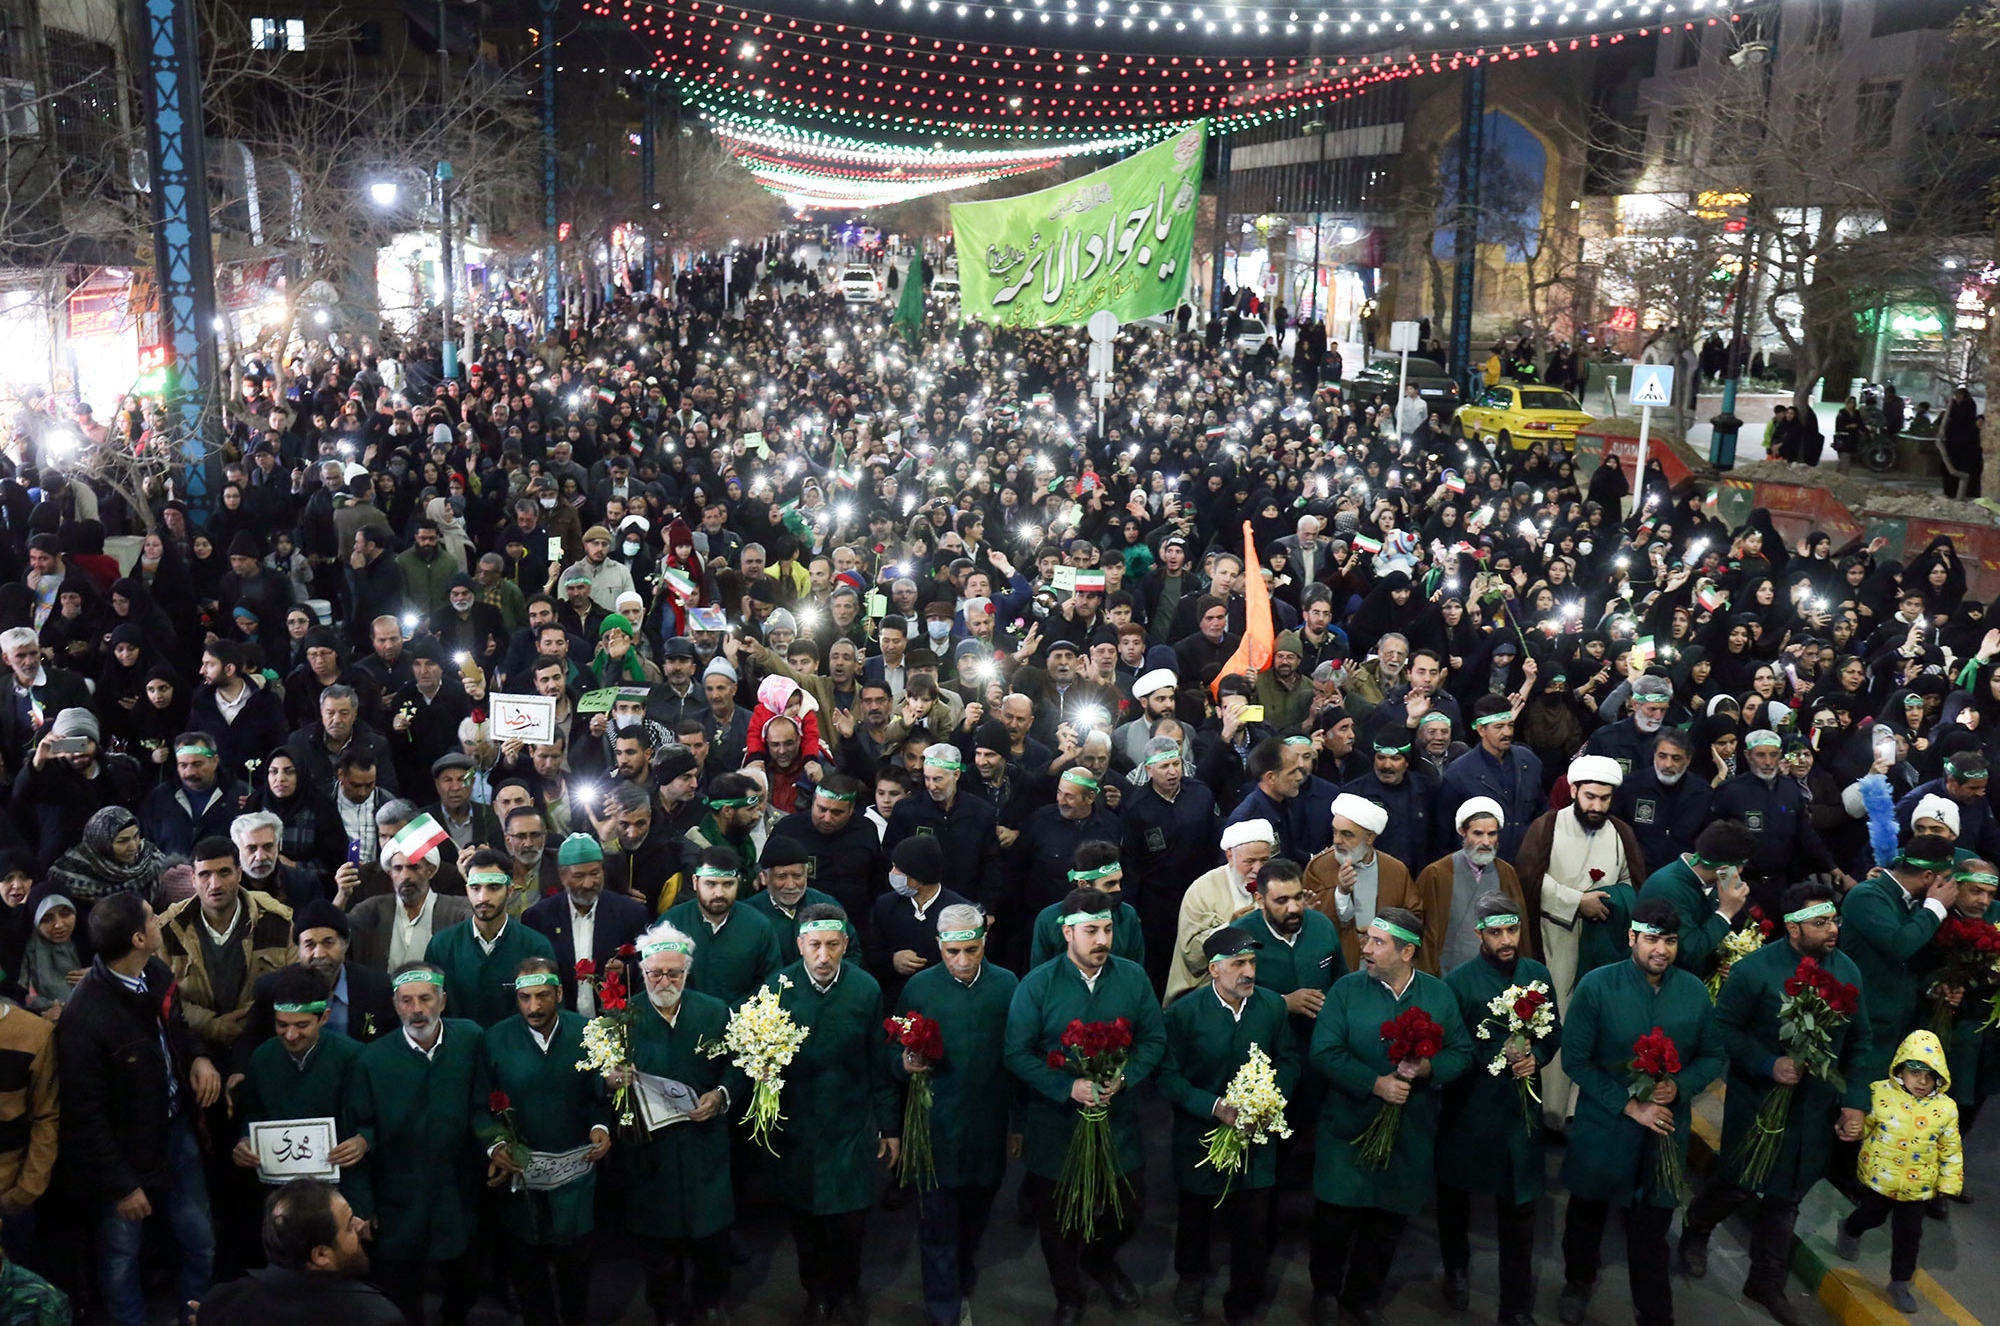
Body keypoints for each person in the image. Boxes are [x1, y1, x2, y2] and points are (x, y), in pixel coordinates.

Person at [1679, 881, 1871, 1326]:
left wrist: (1855, 1102)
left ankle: (1765, 1281)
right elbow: (1722, 1031)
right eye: (1819, 922)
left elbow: (1861, 1043)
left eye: (1833, 921)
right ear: (1792, 927)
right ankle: (1697, 1227)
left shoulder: (1848, 973)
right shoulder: (1756, 971)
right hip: (1759, 1102)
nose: (1831, 930)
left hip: (1812, 1109)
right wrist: (1769, 1063)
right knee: (1740, 1182)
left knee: (1788, 1195)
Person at [56, 890, 223, 1326]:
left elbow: (178, 1029)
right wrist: (121, 1186)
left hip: (174, 1130)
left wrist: (199, 1055)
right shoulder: (86, 1018)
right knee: (119, 1260)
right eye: (152, 919)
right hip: (124, 1155)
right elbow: (83, 1115)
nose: (158, 922)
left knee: (200, 1241)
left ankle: (194, 1317)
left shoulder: (155, 972)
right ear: (137, 938)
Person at [1555, 899, 1724, 1326]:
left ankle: (1654, 1312)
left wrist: (1678, 1086)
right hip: (1605, 1128)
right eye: (1651, 939)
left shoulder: (1693, 991)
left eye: (1669, 940)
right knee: (1587, 1215)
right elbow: (1576, 1060)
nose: (1661, 950)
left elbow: (1712, 1055)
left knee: (1651, 1232)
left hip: (1664, 1133)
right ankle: (1578, 1281)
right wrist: (1630, 1106)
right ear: (1631, 937)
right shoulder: (1597, 986)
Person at [1003, 887, 1167, 1324]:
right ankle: (1069, 1297)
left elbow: (1154, 1038)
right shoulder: (1037, 984)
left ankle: (1099, 1259)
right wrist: (1067, 1086)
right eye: (1091, 931)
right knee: (1058, 1221)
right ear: (1067, 933)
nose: (1102, 941)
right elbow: (1016, 1053)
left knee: (1129, 1212)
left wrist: (1127, 1075)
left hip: (1117, 1122)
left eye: (1108, 930)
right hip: (1055, 1123)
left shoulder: (1132, 977)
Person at [1307, 907, 1473, 1326]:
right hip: (1346, 1128)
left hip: (1408, 1133)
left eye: (1378, 943)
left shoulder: (1438, 995)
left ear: (1407, 952)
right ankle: (1325, 1293)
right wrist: (1375, 1083)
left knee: (1386, 1223)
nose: (1366, 949)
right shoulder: (1346, 990)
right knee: (1335, 1220)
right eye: (1368, 940)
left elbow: (1462, 1053)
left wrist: (1428, 1069)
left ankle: (1362, 1296)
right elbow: (1324, 1052)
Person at [765, 902, 900, 1326]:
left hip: (851, 1125)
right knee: (804, 1223)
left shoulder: (866, 990)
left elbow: (879, 1064)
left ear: (845, 944)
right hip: (797, 1128)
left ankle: (848, 1287)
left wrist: (889, 1125)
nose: (823, 956)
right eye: (815, 945)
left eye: (833, 945)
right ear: (799, 944)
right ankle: (816, 1292)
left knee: (851, 1221)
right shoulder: (776, 990)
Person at [1157, 925, 1297, 1326]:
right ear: (1214, 970)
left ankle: (1245, 1297)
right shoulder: (1184, 1014)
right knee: (1196, 1216)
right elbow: (1167, 1077)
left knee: (1253, 1222)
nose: (1249, 971)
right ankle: (1190, 1280)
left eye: (1252, 962)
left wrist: (1271, 1099)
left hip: (1256, 1139)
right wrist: (1214, 1106)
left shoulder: (1271, 1007)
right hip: (1199, 1138)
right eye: (1239, 964)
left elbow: (1288, 1061)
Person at [344, 962, 496, 1326]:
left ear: (442, 1001)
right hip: (398, 1199)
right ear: (395, 1005)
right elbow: (359, 1133)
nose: (417, 1009)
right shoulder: (371, 1060)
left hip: (457, 1195)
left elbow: (483, 1106)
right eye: (407, 1000)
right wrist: (362, 1205)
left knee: (464, 1290)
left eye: (426, 998)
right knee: (400, 1298)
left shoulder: (470, 1040)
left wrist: (496, 1145)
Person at [1435, 895, 1561, 1326]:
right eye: (1496, 933)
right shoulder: (1459, 982)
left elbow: (1552, 1032)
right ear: (1479, 935)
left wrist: (1537, 1057)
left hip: (1519, 1112)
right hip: (1469, 1109)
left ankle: (1517, 1306)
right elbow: (1452, 1046)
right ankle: (1455, 1269)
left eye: (1512, 931)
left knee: (1520, 1207)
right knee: (1455, 1196)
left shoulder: (1537, 975)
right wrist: (1496, 1055)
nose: (1506, 941)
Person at [897, 904, 1020, 1326]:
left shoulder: (1007, 986)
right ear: (938, 946)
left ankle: (962, 1275)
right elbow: (893, 1042)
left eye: (972, 950)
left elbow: (1019, 1058)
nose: (963, 961)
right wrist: (904, 1063)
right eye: (953, 952)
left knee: (977, 1211)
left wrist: (1017, 1124)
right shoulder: (918, 987)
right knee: (936, 1222)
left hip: (988, 1123)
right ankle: (944, 1305)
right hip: (935, 1125)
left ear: (984, 942)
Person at [482, 954, 613, 1326]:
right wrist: (494, 1145)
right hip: (520, 1179)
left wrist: (601, 1128)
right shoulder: (495, 1039)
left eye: (542, 996)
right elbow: (479, 1106)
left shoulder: (589, 1032)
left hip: (575, 1175)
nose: (533, 1007)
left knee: (576, 1269)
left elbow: (599, 1097)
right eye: (525, 999)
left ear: (559, 993)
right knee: (527, 1271)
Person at [1835, 1030, 1963, 1314]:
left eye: (1930, 1075)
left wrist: (1949, 1183)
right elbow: (1865, 1126)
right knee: (1870, 1216)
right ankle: (1850, 1228)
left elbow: (1951, 1149)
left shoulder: (1945, 1109)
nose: (1922, 1081)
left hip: (1918, 1190)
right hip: (1881, 1180)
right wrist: (1855, 1129)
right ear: (1900, 1069)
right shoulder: (1880, 1094)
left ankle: (1900, 1282)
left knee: (1909, 1236)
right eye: (1915, 1072)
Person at [195, 1178, 404, 1326]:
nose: (359, 1226)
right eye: (349, 1225)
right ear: (321, 1255)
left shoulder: (221, 1303)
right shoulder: (378, 1316)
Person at [425, 849, 557, 1027]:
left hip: (516, 1050)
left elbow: (549, 1014)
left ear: (510, 890)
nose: (483, 897)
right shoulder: (441, 945)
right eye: (475, 888)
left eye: (493, 887)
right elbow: (431, 1009)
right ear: (467, 890)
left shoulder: (535, 946)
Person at [524, 832, 650, 1015]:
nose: (588, 883)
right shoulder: (538, 918)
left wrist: (625, 970)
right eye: (579, 876)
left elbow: (646, 965)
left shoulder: (631, 913)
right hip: (560, 1023)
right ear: (562, 876)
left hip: (614, 1024)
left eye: (594, 873)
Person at [1168, 819, 1275, 1002]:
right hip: (1206, 992)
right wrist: (1229, 928)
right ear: (1230, 856)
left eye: (1264, 860)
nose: (1258, 869)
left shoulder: (1273, 885)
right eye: (1249, 861)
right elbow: (1192, 956)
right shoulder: (1202, 890)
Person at [1635, 819, 1756, 976]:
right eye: (1741, 865)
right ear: (1724, 869)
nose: (1741, 871)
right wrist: (1725, 912)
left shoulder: (1714, 881)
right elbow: (1688, 953)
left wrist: (1728, 961)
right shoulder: (1668, 889)